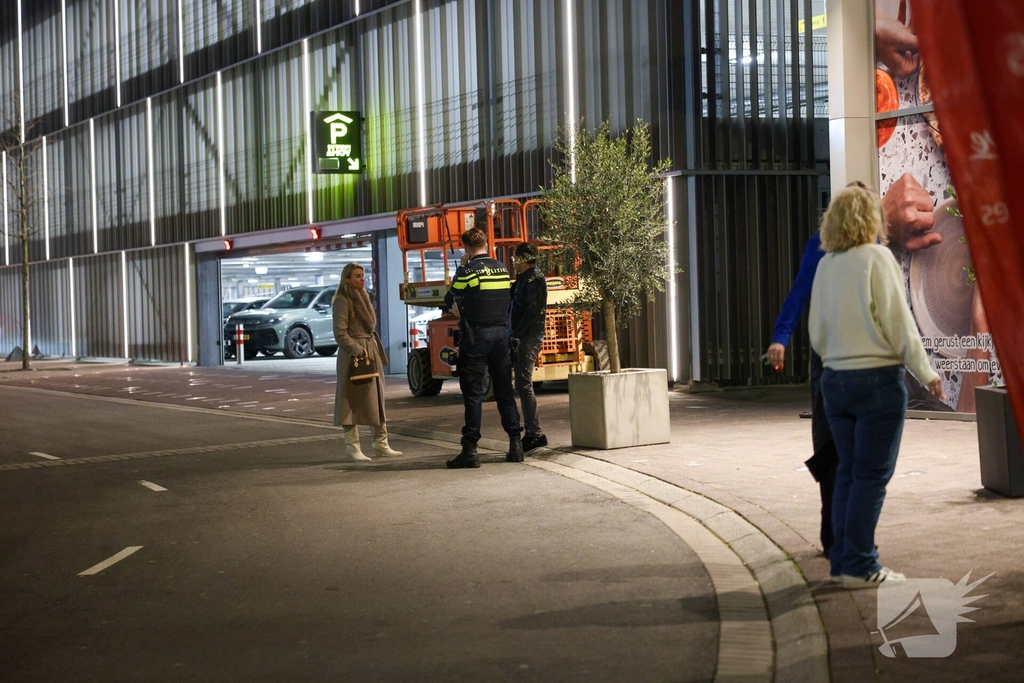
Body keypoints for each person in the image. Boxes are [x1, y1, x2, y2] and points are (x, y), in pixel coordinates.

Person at [808, 182, 944, 589]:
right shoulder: (877, 258)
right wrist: (926, 372)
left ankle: (844, 562)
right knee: (871, 476)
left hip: (835, 382)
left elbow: (816, 334)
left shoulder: (827, 264)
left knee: (848, 473)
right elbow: (900, 323)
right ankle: (861, 565)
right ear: (871, 219)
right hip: (876, 383)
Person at [764, 231, 836, 560]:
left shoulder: (873, 247)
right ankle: (832, 530)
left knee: (852, 449)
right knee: (827, 442)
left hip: (861, 359)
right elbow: (799, 293)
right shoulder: (822, 243)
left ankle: (850, 535)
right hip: (827, 356)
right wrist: (781, 336)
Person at [443, 227, 523, 469]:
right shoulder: (501, 269)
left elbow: (450, 297)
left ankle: (470, 450)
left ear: (466, 248)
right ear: (486, 243)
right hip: (501, 336)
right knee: (504, 392)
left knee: (473, 394)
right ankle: (516, 445)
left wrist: (461, 268)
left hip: (477, 337)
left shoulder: (468, 271)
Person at [332, 263, 402, 461]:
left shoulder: (363, 296)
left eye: (363, 275)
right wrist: (357, 349)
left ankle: (381, 443)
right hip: (353, 355)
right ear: (347, 279)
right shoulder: (342, 300)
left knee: (377, 397)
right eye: (357, 276)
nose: (362, 279)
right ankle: (352, 446)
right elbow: (340, 333)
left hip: (370, 350)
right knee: (349, 401)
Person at [509, 242, 548, 453]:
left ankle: (535, 434)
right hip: (523, 336)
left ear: (523, 258)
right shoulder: (525, 278)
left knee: (524, 385)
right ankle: (533, 432)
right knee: (523, 384)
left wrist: (517, 334)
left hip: (528, 337)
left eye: (516, 257)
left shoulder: (535, 279)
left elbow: (532, 312)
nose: (513, 260)